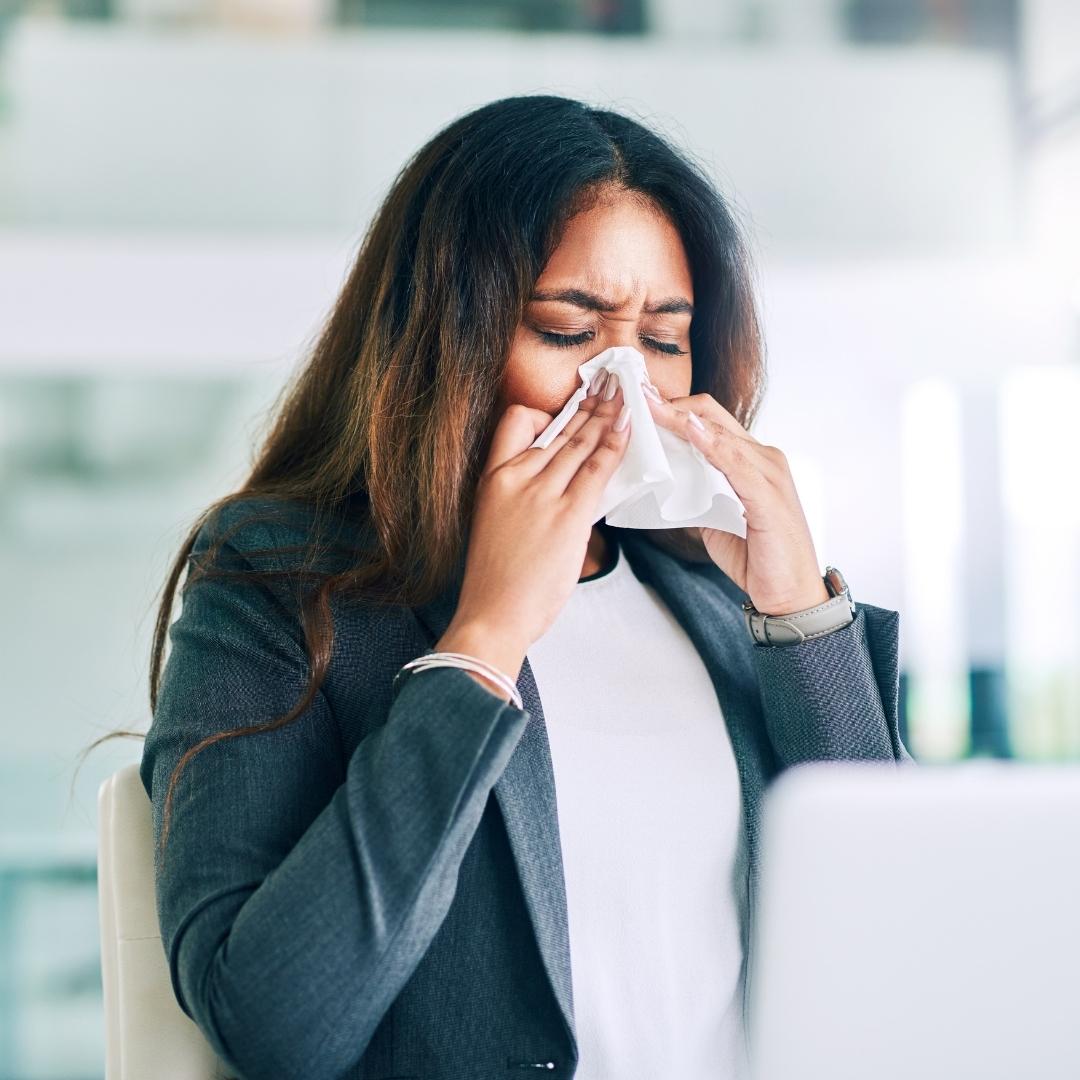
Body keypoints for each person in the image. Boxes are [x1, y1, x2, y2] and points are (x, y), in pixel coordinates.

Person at [139, 94, 912, 1080]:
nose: (623, 389)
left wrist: (803, 618)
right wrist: (486, 637)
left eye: (663, 342)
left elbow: (889, 948)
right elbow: (279, 1025)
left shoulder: (713, 596)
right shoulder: (277, 576)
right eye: (565, 329)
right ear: (439, 344)